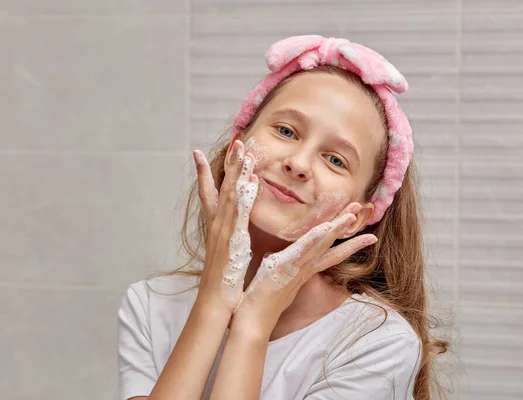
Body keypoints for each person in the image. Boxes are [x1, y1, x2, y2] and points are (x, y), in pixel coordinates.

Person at [115, 35, 449, 400]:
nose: (299, 163)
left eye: (335, 160)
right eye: (286, 131)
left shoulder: (375, 343)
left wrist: (254, 324)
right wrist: (212, 304)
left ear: (355, 219)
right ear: (234, 149)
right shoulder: (151, 304)